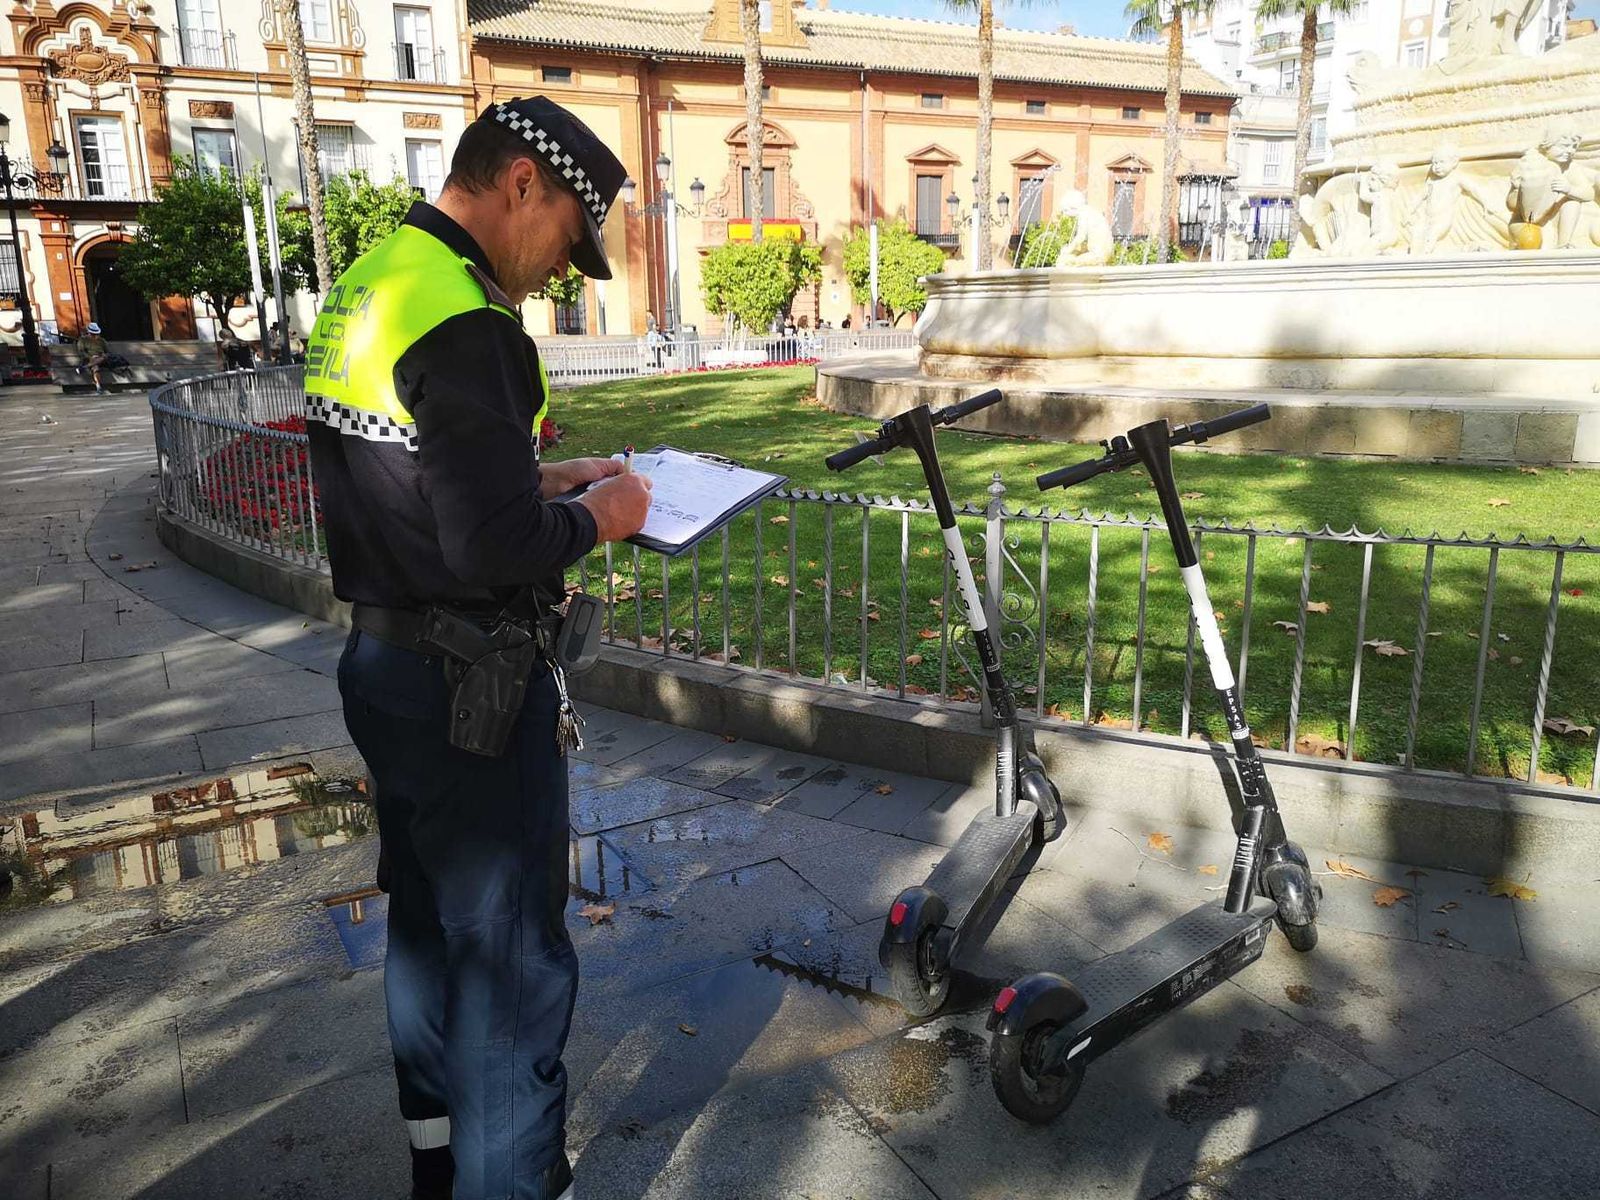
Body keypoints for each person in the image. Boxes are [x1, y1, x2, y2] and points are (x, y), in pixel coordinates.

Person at [304, 96, 651, 1200]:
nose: (560, 270)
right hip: (473, 695)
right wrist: (608, 515)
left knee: (423, 935)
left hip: (386, 669)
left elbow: (416, 476)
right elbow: (490, 541)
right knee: (508, 976)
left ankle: (439, 1169)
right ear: (520, 187)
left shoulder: (377, 281)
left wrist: (547, 478)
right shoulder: (468, 320)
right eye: (565, 239)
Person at [76, 321, 110, 393]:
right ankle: (98, 387)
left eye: (96, 334)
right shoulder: (83, 340)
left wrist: (104, 354)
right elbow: (81, 351)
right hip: (90, 359)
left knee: (102, 358)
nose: (95, 336)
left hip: (102, 359)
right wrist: (90, 357)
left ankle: (84, 368)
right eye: (93, 334)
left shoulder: (101, 340)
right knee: (95, 367)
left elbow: (107, 351)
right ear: (89, 333)